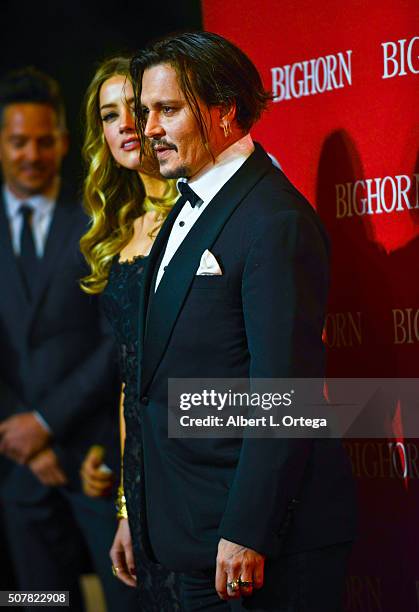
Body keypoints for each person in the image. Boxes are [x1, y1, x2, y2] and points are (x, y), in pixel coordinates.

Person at [114, 32, 356, 611]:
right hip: (189, 529)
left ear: (223, 111)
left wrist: (250, 527)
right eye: (147, 112)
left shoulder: (274, 219)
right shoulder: (188, 202)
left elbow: (284, 389)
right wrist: (136, 510)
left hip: (260, 542)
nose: (148, 129)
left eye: (167, 110)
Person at [0, 67, 138, 611]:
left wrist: (48, 423)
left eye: (43, 140)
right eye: (18, 142)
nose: (32, 154)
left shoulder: (97, 218)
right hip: (16, 468)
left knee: (126, 600)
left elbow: (115, 338)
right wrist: (21, 433)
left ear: (61, 141)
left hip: (95, 460)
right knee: (37, 603)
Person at [79, 57, 180, 610]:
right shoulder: (117, 237)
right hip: (143, 484)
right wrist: (124, 506)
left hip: (201, 469)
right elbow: (127, 385)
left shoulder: (202, 216)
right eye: (108, 114)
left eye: (134, 109)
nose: (123, 125)